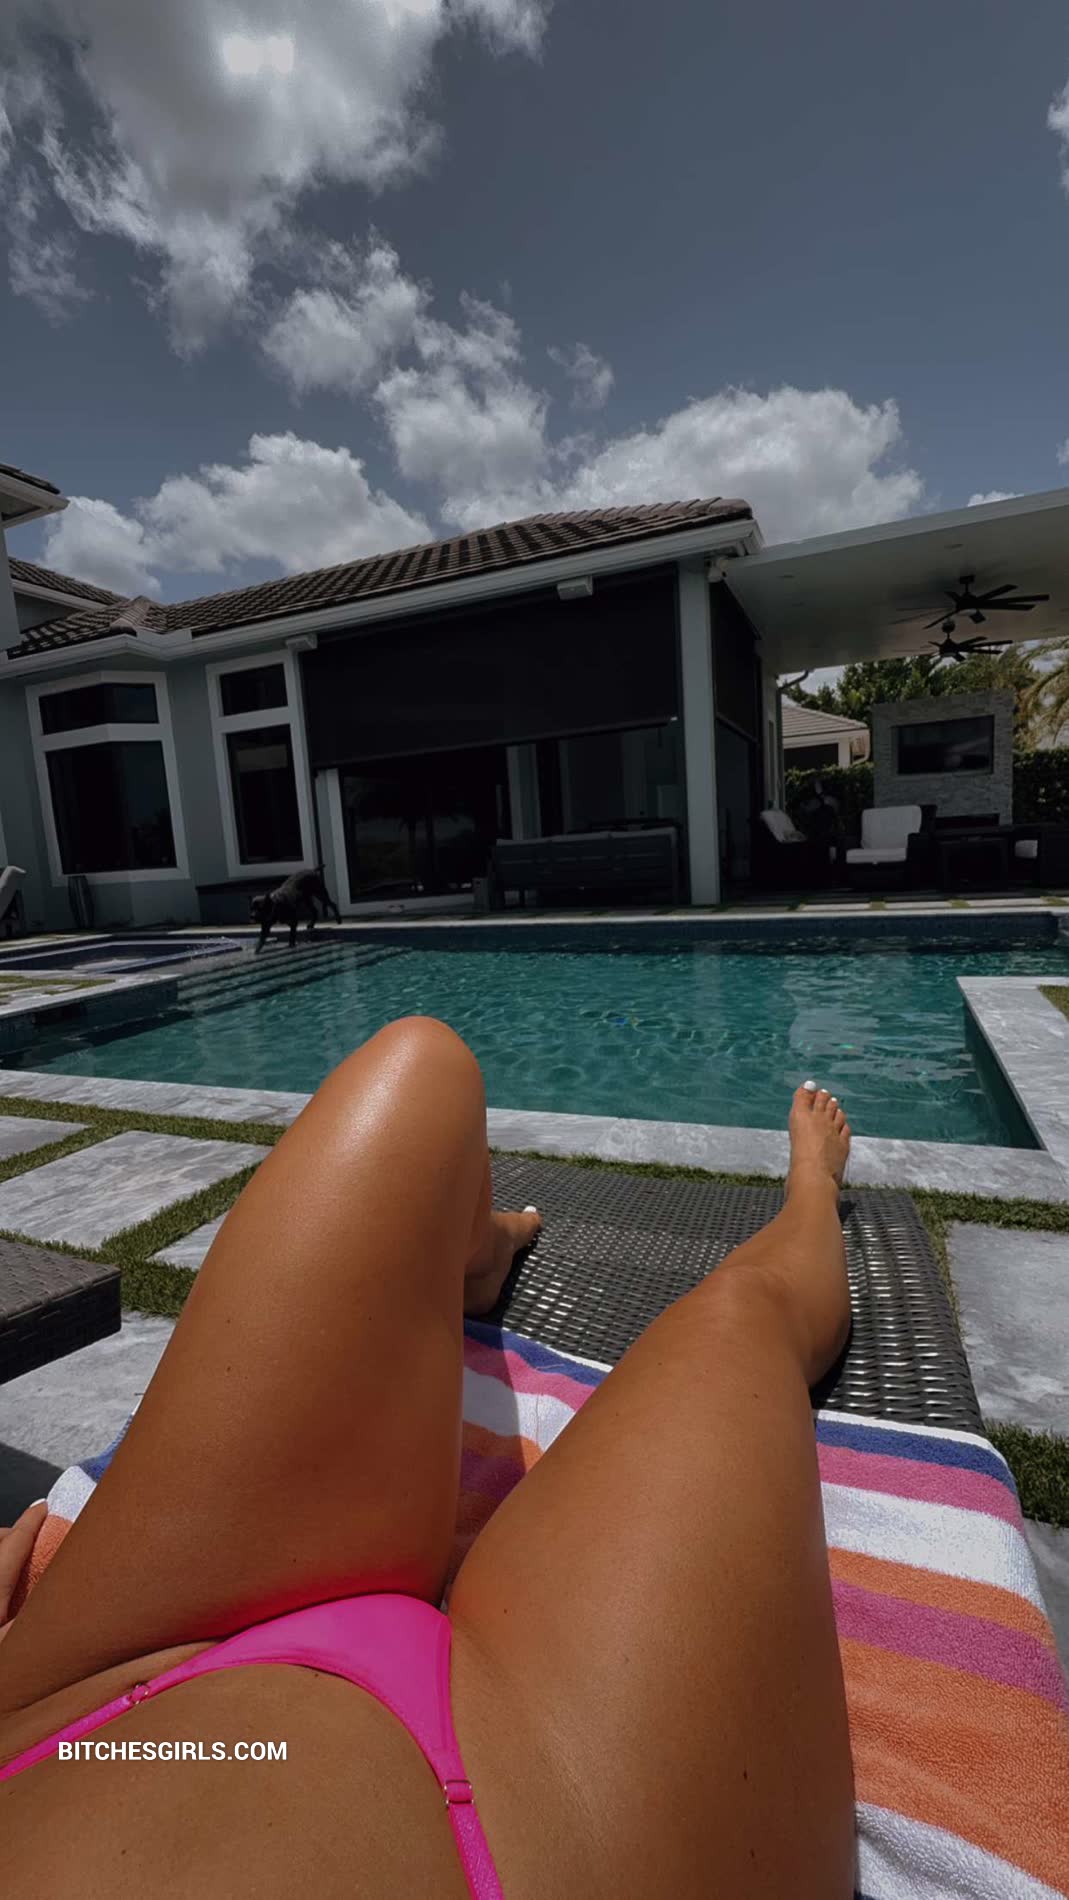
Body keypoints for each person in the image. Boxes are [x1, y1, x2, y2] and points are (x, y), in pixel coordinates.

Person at [0, 1019, 855, 1898]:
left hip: (76, 1720)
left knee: (419, 1069)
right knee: (743, 1314)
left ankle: (478, 1258)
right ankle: (812, 1194)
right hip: (530, 1835)